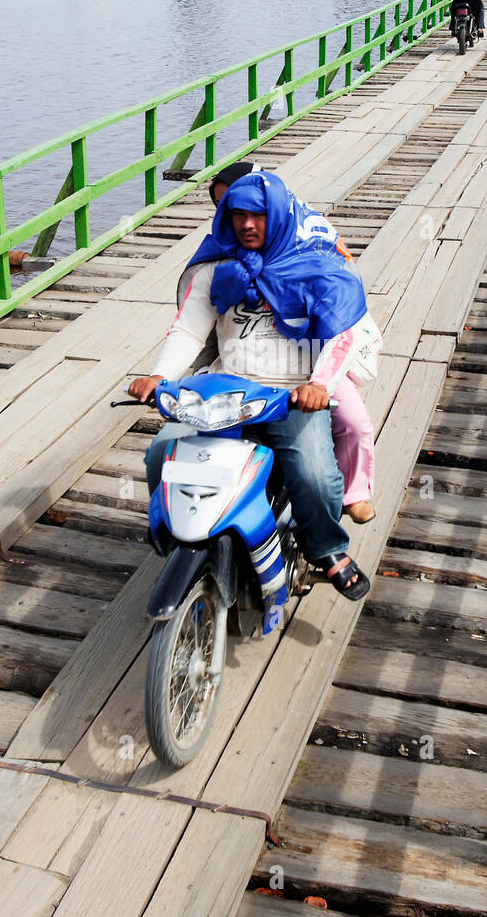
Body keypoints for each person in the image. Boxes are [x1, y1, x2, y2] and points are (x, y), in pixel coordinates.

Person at [129, 169, 380, 600]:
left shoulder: (315, 267)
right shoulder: (216, 269)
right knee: (160, 455)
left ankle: (325, 549)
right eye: (238, 215)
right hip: (225, 391)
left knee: (316, 475)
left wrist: (319, 384)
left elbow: (343, 333)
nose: (247, 225)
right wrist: (159, 376)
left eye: (258, 216)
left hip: (291, 396)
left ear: (279, 216)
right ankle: (177, 533)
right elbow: (188, 329)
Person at [208, 163, 376, 523]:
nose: (239, 221)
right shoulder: (224, 242)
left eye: (250, 208)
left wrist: (322, 376)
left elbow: (341, 297)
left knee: (353, 421)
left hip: (313, 347)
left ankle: (353, 492)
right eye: (228, 209)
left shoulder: (310, 236)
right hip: (247, 349)